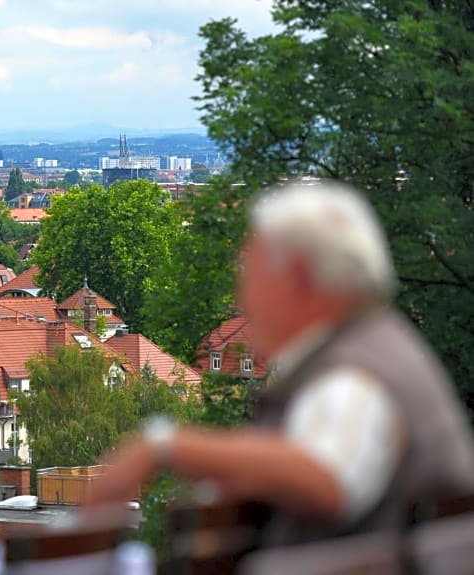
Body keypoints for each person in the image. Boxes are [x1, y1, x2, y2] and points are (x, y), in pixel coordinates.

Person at [88, 180, 474, 545]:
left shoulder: (353, 371)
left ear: (299, 277)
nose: (241, 298)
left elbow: (328, 480)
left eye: (251, 276)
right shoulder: (383, 344)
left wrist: (165, 446)